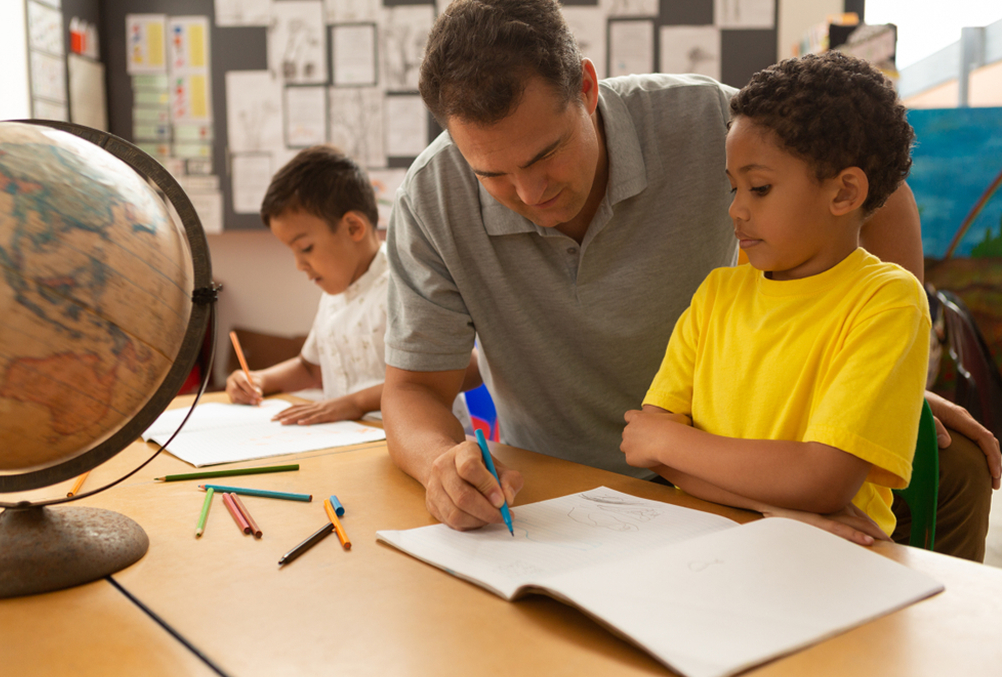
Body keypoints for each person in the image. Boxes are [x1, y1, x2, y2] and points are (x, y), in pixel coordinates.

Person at [382, 0, 998, 553]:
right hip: (557, 478)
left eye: (546, 153)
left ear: (588, 89)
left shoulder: (707, 118)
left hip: (740, 447)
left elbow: (879, 192)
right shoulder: (432, 198)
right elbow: (412, 390)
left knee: (961, 464)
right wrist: (439, 462)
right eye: (492, 173)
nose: (529, 190)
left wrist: (877, 374)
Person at [620, 52, 926, 540]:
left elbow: (822, 480)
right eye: (733, 188)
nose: (736, 210)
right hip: (701, 543)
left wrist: (675, 443)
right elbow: (642, 445)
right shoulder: (718, 292)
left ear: (844, 193)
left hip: (827, 557)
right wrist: (770, 501)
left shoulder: (887, 299)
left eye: (759, 188)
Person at [225, 145, 393, 424]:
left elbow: (462, 368)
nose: (299, 265)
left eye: (305, 248)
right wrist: (259, 379)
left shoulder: (403, 284)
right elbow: (310, 368)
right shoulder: (336, 291)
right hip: (350, 440)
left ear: (353, 228)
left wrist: (356, 402)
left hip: (412, 442)